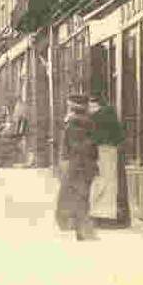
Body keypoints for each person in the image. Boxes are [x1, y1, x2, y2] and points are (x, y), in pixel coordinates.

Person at [55, 94, 99, 241]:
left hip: (76, 165)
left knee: (77, 197)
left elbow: (74, 146)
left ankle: (80, 229)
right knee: (82, 197)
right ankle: (82, 230)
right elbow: (90, 146)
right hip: (84, 165)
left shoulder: (74, 123)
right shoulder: (86, 122)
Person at [88, 95, 129, 227]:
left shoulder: (96, 118)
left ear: (96, 105)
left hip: (101, 152)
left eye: (91, 106)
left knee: (101, 182)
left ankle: (100, 215)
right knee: (109, 184)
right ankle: (108, 215)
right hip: (110, 151)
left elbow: (92, 136)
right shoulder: (109, 115)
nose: (89, 108)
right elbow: (119, 136)